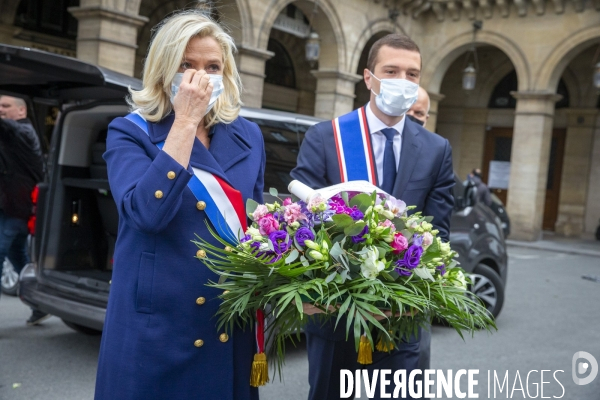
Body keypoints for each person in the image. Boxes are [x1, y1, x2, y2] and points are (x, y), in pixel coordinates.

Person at [94, 11, 265, 400]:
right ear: (163, 70)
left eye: (212, 66)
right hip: (159, 328)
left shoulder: (248, 136)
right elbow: (145, 214)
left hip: (226, 322)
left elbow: (256, 230)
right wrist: (185, 121)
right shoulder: (129, 132)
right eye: (186, 65)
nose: (200, 77)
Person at [291, 33, 454, 400]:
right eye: (391, 70)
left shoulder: (436, 149)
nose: (403, 81)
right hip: (336, 315)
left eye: (412, 74)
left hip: (402, 320)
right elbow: (303, 227)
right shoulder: (326, 137)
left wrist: (408, 290)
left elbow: (439, 233)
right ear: (369, 78)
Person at [0, 95, 47, 326]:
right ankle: (38, 305)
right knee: (18, 257)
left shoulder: (24, 132)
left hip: (16, 208)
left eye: (5, 106)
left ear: (21, 111)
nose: (1, 109)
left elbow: (6, 129)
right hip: (10, 206)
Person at [407, 86, 433, 375]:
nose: (413, 117)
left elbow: (440, 228)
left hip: (409, 300)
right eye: (409, 110)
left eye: (419, 113)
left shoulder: (436, 151)